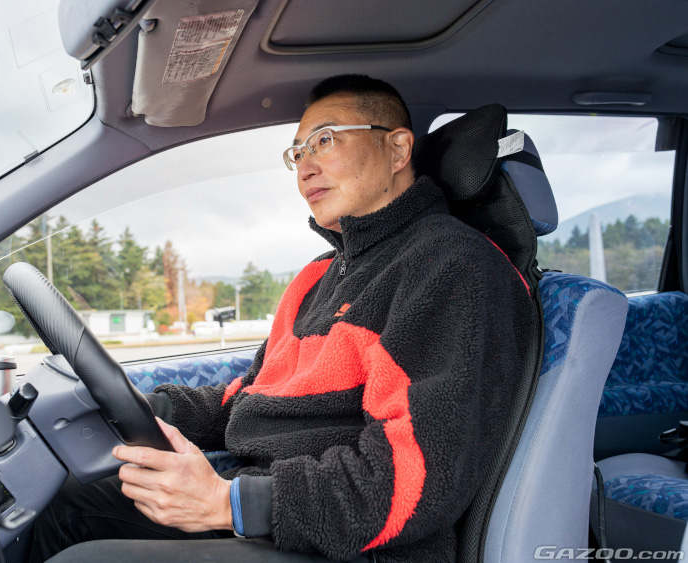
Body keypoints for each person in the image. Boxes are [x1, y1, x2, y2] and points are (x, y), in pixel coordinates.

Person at [30, 75, 538, 563]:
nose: (305, 167)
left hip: (357, 544)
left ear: (399, 149)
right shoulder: (316, 278)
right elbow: (249, 399)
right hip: (271, 508)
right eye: (298, 152)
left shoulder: (451, 268)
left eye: (325, 140)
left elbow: (415, 476)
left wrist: (227, 503)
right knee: (67, 509)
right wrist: (144, 406)